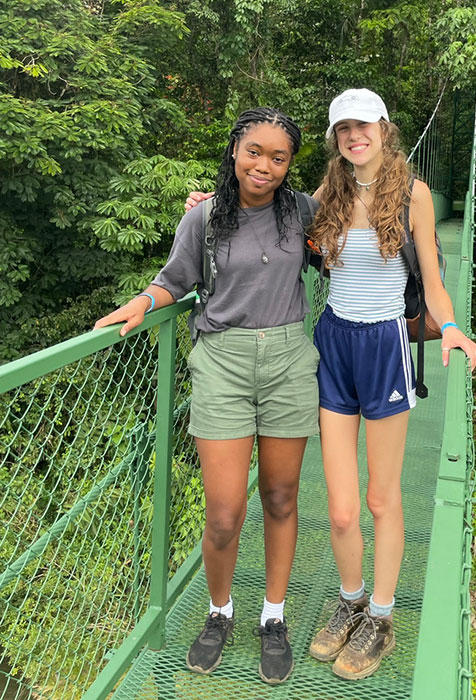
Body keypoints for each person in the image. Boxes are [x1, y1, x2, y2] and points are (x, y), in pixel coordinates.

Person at [95, 108, 320, 685]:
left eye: (279, 157)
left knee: (280, 496)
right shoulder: (203, 220)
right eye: (254, 152)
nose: (264, 166)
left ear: (290, 165)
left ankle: (274, 615)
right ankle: (220, 611)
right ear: (234, 152)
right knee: (222, 513)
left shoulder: (300, 213)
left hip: (289, 359)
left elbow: (357, 224)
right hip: (220, 362)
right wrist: (143, 303)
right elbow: (174, 281)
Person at [305, 88, 476, 680]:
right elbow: (269, 219)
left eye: (365, 126)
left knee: (381, 498)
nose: (355, 136)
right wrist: (210, 204)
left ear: (385, 128)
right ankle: (350, 602)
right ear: (337, 138)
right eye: (344, 129)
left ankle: (380, 615)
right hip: (334, 342)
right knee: (341, 506)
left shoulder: (413, 195)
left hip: (384, 347)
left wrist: (450, 325)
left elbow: (431, 280)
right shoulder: (325, 194)